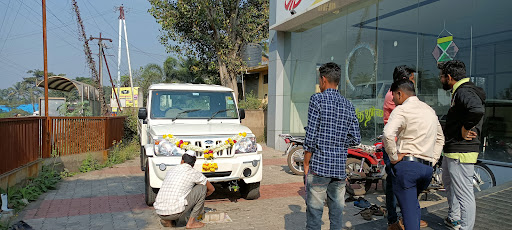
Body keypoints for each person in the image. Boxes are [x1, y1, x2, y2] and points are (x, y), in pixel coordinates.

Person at [303, 62, 361, 230]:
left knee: (314, 216)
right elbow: (356, 138)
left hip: (319, 166)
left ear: (323, 80)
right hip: (339, 169)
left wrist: (306, 163)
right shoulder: (348, 105)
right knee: (336, 217)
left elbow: (311, 136)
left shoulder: (316, 99)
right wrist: (339, 144)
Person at [383, 79, 444, 230]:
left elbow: (388, 134)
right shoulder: (430, 110)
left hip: (408, 168)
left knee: (409, 215)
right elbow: (441, 138)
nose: (394, 101)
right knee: (413, 208)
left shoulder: (402, 109)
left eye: (394, 97)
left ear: (400, 93)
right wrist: (433, 159)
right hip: (427, 170)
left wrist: (394, 157)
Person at [438, 60, 485, 230]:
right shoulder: (460, 92)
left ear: (449, 77)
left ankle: (465, 227)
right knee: (449, 183)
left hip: (461, 151)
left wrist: (465, 129)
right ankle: (454, 217)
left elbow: (477, 110)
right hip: (453, 149)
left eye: (441, 76)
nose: (440, 79)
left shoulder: (464, 92)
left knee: (464, 194)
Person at [154, 153, 215, 229]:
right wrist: (200, 199)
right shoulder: (193, 172)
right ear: (193, 164)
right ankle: (191, 223)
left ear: (182, 161)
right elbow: (211, 189)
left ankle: (168, 220)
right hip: (174, 212)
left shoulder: (171, 170)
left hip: (159, 211)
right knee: (202, 188)